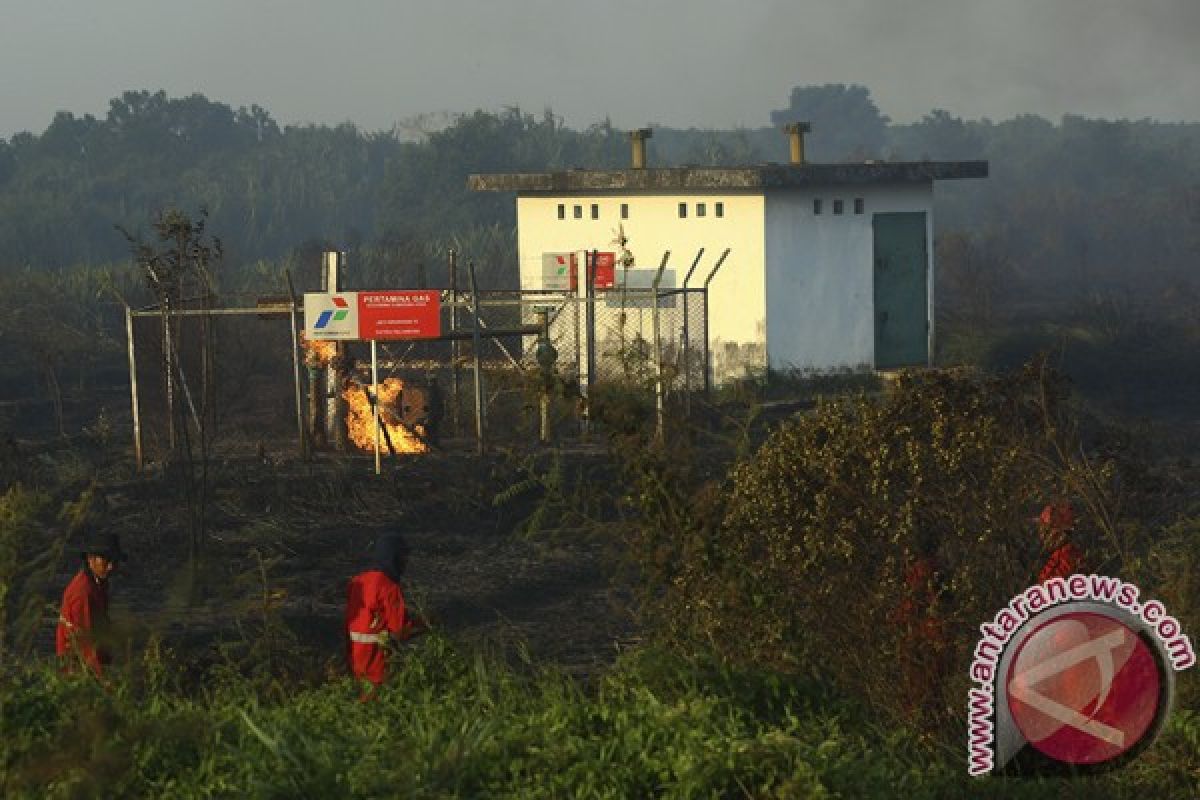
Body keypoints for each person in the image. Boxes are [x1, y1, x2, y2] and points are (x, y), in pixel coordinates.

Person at [345, 532, 426, 689]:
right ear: (393, 557)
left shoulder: (358, 581)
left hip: (354, 659)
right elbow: (400, 630)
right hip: (376, 664)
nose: (406, 561)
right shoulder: (388, 587)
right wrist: (426, 624)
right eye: (403, 556)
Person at [56, 532, 123, 677]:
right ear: (90, 559)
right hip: (79, 669)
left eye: (114, 561)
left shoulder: (99, 582)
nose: (111, 566)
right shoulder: (83, 593)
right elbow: (85, 642)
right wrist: (104, 679)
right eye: (106, 560)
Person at [1036, 500, 1084, 582]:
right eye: (1042, 530)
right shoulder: (1054, 554)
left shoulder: (1067, 554)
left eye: (1046, 531)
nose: (1042, 536)